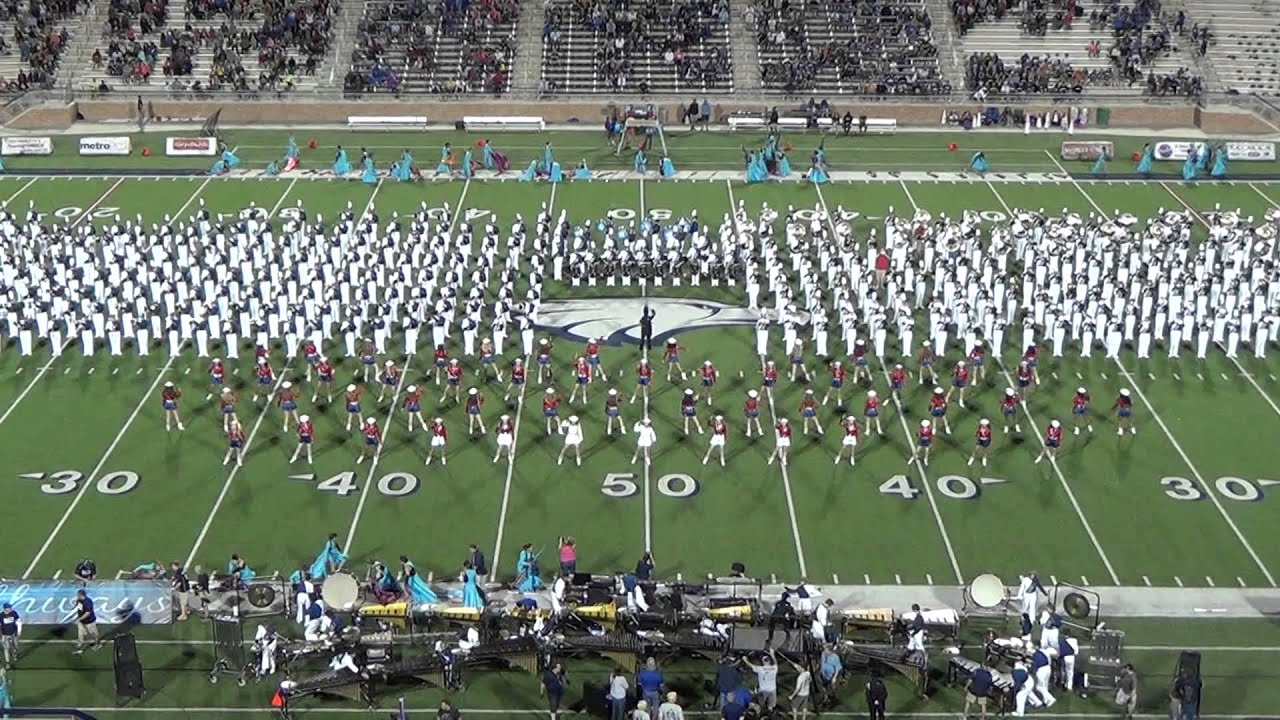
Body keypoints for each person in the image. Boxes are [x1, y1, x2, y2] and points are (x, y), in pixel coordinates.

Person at [72, 588, 99, 654]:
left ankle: (96, 643)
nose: (77, 596)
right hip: (82, 621)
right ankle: (80, 643)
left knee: (93, 634)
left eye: (78, 595)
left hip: (90, 621)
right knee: (80, 633)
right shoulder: (79, 600)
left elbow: (87, 613)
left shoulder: (88, 602)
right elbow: (77, 604)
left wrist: (79, 619)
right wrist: (74, 606)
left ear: (82, 595)